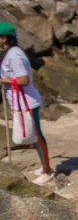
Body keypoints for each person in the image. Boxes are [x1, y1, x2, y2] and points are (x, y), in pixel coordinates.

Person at [0, 23, 53, 185]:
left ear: (3, 39)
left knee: (37, 137)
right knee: (32, 136)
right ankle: (44, 166)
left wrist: (3, 80)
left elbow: (24, 80)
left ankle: (48, 171)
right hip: (19, 102)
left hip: (27, 103)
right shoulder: (8, 53)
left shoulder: (15, 56)